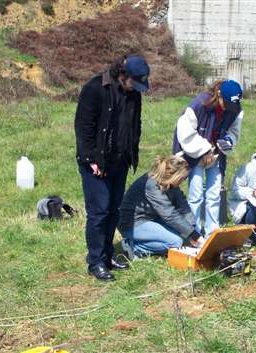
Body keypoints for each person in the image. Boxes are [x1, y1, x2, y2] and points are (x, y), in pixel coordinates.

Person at [75, 55, 150, 281]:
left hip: (120, 161)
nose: (135, 89)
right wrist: (91, 159)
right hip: (97, 164)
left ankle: (108, 256)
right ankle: (95, 262)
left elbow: (134, 124)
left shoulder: (134, 94)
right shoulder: (95, 89)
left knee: (113, 211)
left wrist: (131, 153)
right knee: (99, 213)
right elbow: (83, 127)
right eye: (133, 83)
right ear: (122, 75)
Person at [172, 80, 244, 237]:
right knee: (196, 193)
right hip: (195, 152)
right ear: (219, 95)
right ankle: (194, 232)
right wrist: (205, 150)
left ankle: (212, 230)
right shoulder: (200, 104)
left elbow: (233, 131)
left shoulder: (235, 109)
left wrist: (227, 142)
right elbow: (185, 131)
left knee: (214, 193)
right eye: (226, 103)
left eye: (233, 105)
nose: (229, 109)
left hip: (216, 154)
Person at [118, 155, 203, 258]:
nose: (183, 181)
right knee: (175, 242)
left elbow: (183, 207)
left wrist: (193, 229)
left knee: (185, 236)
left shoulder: (171, 184)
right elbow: (169, 214)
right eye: (182, 178)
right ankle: (133, 247)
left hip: (152, 219)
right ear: (173, 175)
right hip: (133, 223)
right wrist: (194, 235)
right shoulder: (151, 185)